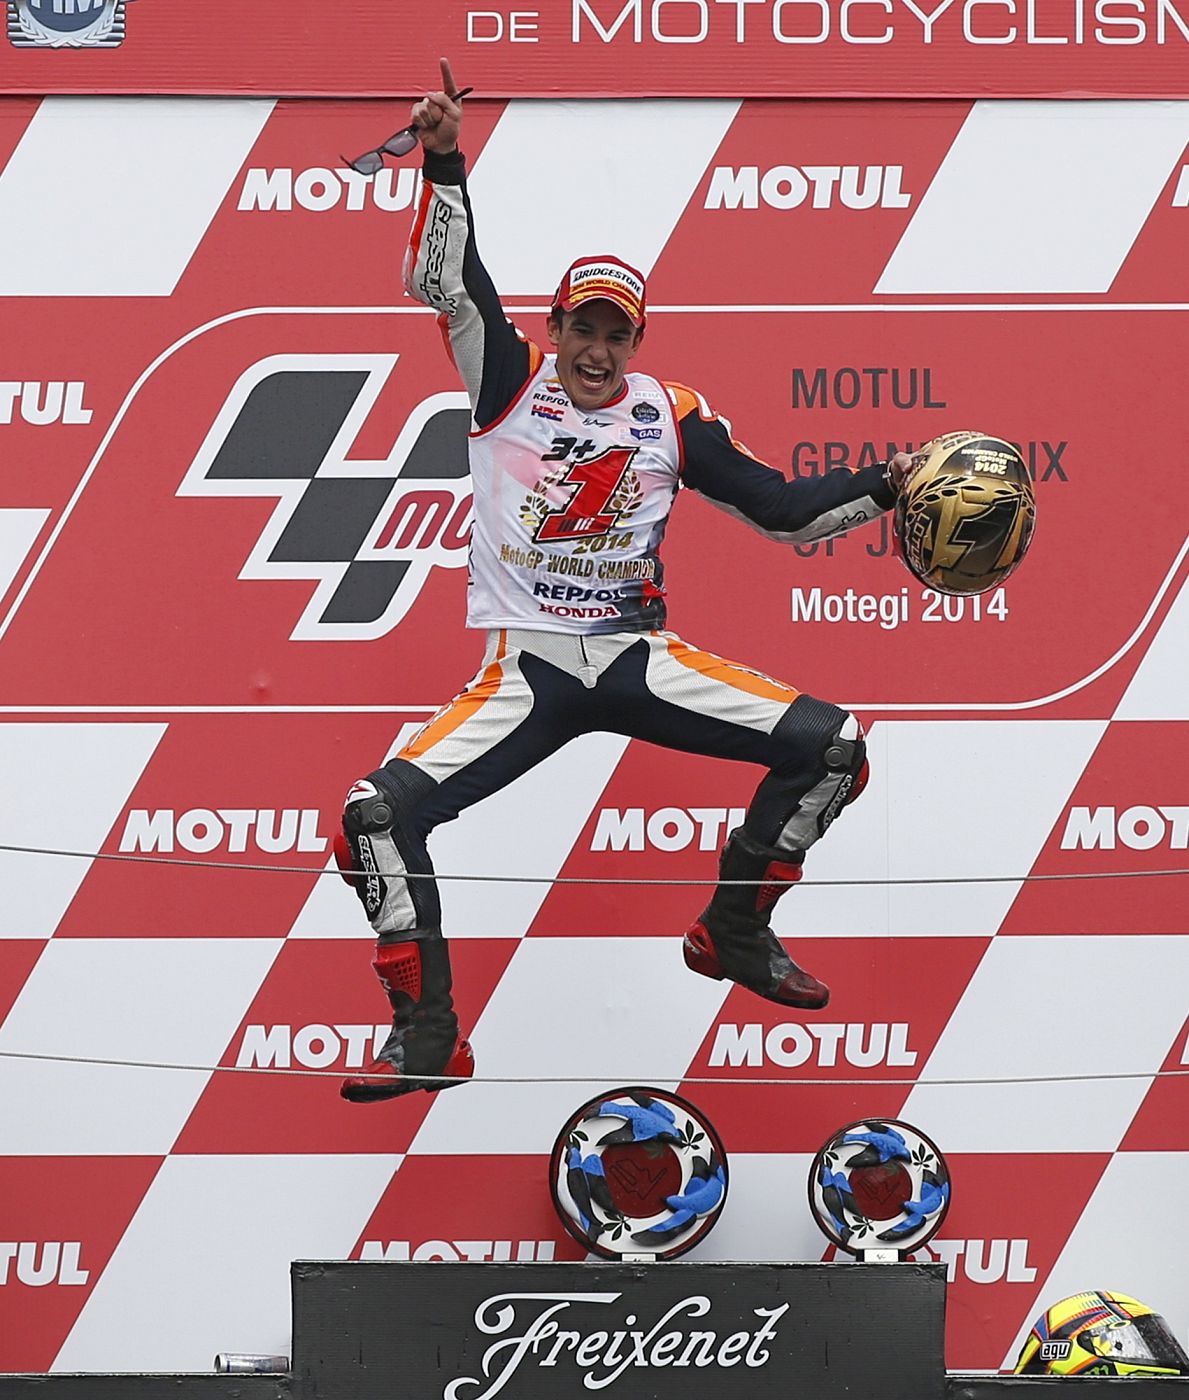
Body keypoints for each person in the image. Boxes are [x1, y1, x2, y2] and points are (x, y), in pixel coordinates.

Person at [334, 59, 914, 1103]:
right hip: (530, 668)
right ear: (552, 329)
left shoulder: (669, 412)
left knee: (833, 747)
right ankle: (429, 1036)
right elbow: (447, 280)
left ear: (635, 342)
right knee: (375, 814)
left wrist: (886, 484)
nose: (596, 351)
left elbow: (781, 509)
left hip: (641, 659)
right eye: (581, 329)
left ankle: (733, 924)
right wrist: (446, 158)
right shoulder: (504, 381)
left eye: (615, 334)